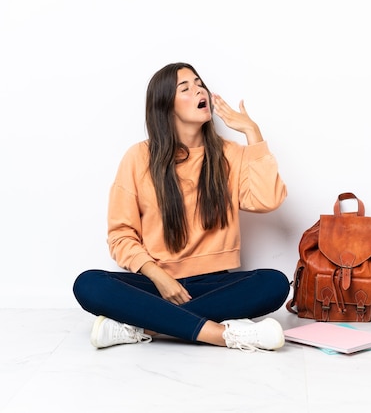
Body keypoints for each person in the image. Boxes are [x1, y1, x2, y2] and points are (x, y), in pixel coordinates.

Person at [73, 62, 290, 352]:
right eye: (185, 88)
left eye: (199, 84)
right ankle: (223, 335)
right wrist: (158, 277)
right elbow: (121, 235)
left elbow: (267, 199)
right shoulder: (139, 157)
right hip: (156, 284)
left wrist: (252, 132)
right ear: (166, 106)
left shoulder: (230, 154)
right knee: (88, 284)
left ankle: (143, 327)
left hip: (214, 285)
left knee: (274, 283)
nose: (199, 89)